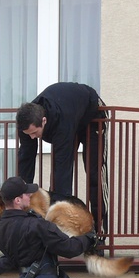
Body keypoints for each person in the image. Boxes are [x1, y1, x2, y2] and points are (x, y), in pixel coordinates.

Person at [16, 82, 108, 233]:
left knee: (94, 172)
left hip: (92, 113)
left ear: (44, 121)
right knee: (50, 172)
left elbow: (63, 166)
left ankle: (99, 233)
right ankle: (56, 231)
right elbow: (26, 157)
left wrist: (59, 209)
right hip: (71, 112)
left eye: (35, 133)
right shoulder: (26, 123)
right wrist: (23, 193)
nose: (32, 137)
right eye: (28, 134)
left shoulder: (61, 122)